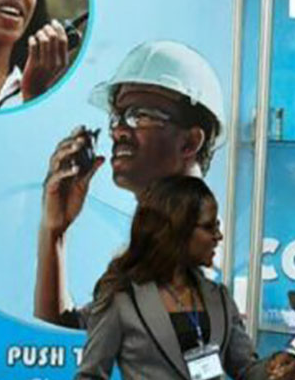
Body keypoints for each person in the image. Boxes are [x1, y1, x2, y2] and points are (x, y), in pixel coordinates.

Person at [60, 177, 295, 380]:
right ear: (176, 231)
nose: (218, 236)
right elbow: (91, 376)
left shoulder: (219, 297)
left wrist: (279, 373)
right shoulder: (122, 297)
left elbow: (246, 376)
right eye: (209, 227)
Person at [35, 40, 224, 329]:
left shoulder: (201, 251)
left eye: (140, 115)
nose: (119, 131)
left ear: (190, 141)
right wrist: (54, 233)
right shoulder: (155, 246)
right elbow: (71, 334)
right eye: (117, 117)